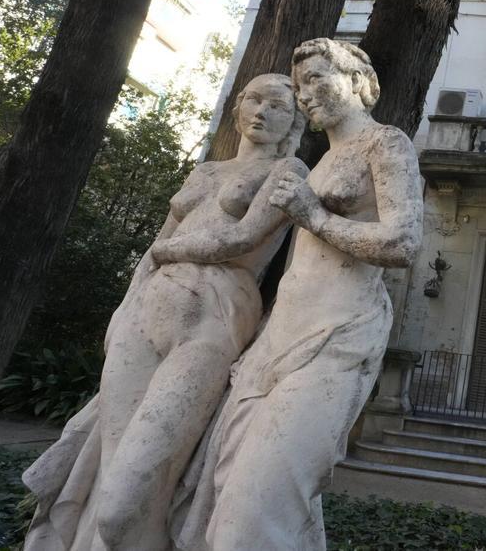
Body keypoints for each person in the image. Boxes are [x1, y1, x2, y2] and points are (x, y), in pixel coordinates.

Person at [23, 74, 308, 551]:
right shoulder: (204, 173)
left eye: (277, 106)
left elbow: (242, 240)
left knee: (128, 493)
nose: (261, 111)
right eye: (254, 100)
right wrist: (125, 307)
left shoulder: (289, 172)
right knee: (109, 472)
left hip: (213, 314)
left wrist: (168, 254)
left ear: (294, 121)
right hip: (145, 312)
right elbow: (155, 244)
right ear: (238, 107)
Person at [170, 39, 423, 550]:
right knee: (226, 497)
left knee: (252, 513)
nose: (305, 95)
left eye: (317, 79)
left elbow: (402, 242)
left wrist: (315, 215)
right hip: (279, 339)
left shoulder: (386, 144)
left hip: (337, 336)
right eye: (300, 85)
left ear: (357, 81)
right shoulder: (321, 163)